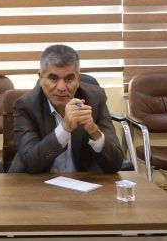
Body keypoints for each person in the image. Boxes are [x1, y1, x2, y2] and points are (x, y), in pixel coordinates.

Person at [9, 44, 123, 173]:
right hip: (39, 181)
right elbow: (31, 162)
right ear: (40, 78)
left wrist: (93, 130)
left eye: (69, 79)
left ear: (78, 79)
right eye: (53, 78)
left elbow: (116, 164)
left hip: (83, 181)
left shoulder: (95, 99)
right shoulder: (25, 106)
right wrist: (65, 128)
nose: (61, 87)